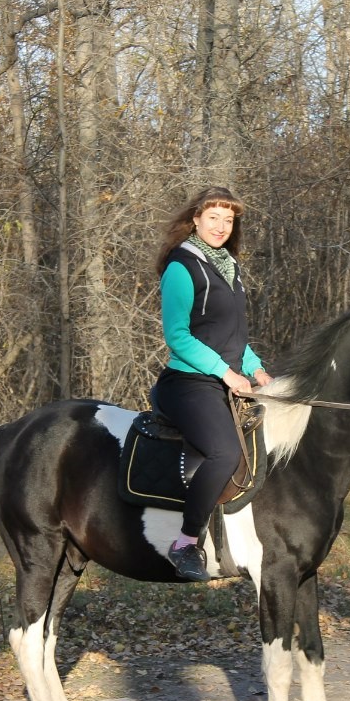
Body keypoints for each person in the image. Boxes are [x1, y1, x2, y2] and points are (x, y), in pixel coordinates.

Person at [152, 186, 274, 582]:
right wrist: (227, 373)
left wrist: (256, 370)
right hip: (188, 383)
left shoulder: (229, 266)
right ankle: (186, 543)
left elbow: (232, 335)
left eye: (229, 219)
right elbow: (178, 335)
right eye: (213, 218)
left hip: (226, 380)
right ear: (195, 220)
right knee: (223, 452)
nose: (221, 226)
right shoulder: (181, 267)